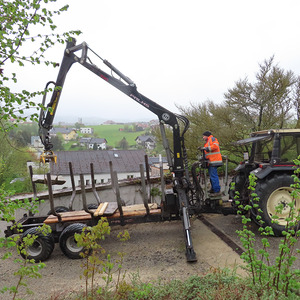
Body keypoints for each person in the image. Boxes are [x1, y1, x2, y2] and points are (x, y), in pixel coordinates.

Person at [200, 131, 223, 195]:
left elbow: (215, 146)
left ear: (207, 135)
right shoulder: (208, 141)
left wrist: (206, 148)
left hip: (214, 161)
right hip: (211, 161)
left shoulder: (212, 139)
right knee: (212, 176)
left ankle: (216, 191)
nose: (203, 137)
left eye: (203, 136)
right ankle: (213, 189)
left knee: (213, 176)